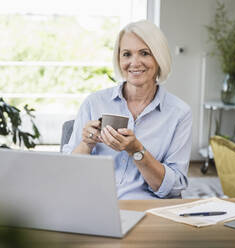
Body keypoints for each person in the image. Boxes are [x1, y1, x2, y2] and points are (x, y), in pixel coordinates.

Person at [63, 20, 192, 199]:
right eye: (127, 54)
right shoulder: (94, 103)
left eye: (144, 53)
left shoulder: (179, 113)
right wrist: (87, 143)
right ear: (119, 59)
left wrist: (136, 150)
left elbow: (173, 188)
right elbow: (67, 174)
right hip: (95, 204)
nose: (134, 62)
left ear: (159, 57)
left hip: (147, 210)